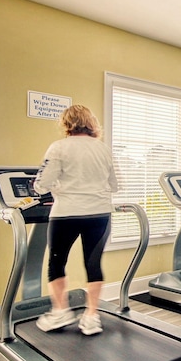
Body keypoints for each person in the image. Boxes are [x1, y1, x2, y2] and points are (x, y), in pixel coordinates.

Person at [34, 104, 118, 336]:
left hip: (66, 214)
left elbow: (43, 184)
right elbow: (115, 185)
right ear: (91, 122)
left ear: (66, 123)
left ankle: (60, 311)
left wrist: (53, 187)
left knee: (56, 262)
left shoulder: (58, 147)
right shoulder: (104, 149)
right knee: (93, 264)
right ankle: (91, 316)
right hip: (99, 214)